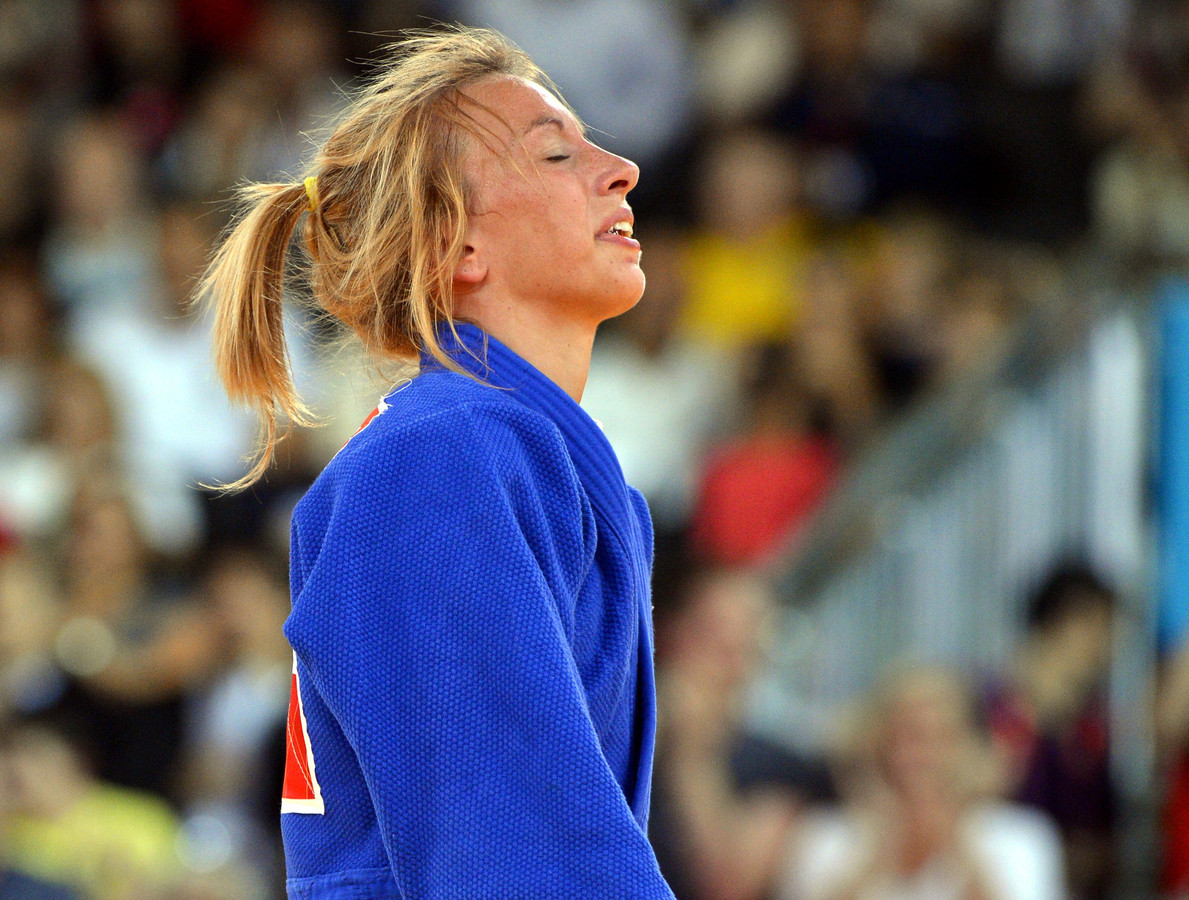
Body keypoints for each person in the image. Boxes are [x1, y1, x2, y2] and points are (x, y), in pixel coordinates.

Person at [199, 25, 675, 899]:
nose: (621, 168)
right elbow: (516, 864)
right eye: (557, 153)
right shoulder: (442, 459)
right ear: (458, 247)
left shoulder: (499, 451)